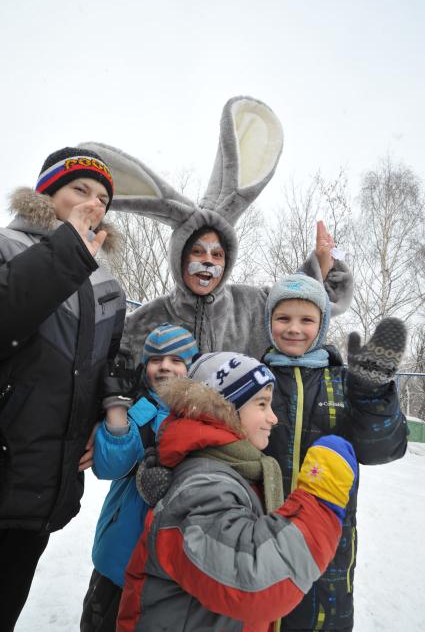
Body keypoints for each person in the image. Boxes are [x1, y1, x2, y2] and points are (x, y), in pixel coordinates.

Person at [81, 96, 353, 360]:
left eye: (217, 255)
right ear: (180, 258)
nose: (207, 262)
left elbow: (301, 304)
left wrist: (322, 263)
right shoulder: (150, 317)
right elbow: (109, 364)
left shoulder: (252, 306)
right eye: (197, 252)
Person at [117, 352, 358, 632]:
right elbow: (254, 580)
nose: (273, 418)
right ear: (225, 409)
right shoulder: (204, 485)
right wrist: (321, 498)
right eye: (262, 404)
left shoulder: (228, 469)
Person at [0, 147, 126, 631]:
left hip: (43, 489)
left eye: (102, 198)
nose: (93, 204)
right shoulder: (8, 245)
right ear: (46, 192)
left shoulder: (106, 282)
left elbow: (106, 365)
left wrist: (103, 414)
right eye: (80, 190)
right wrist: (69, 249)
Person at [262, 274, 408, 632]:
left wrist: (372, 394)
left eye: (306, 319)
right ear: (268, 324)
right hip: (259, 530)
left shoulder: (343, 381)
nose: (294, 329)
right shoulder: (253, 375)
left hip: (328, 541)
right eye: (283, 318)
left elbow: (382, 449)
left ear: (323, 323)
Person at [80, 323, 199, 632]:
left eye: (176, 360)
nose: (165, 367)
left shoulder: (201, 415)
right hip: (121, 551)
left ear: (192, 366)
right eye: (157, 360)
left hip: (176, 561)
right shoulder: (142, 408)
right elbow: (111, 466)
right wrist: (117, 411)